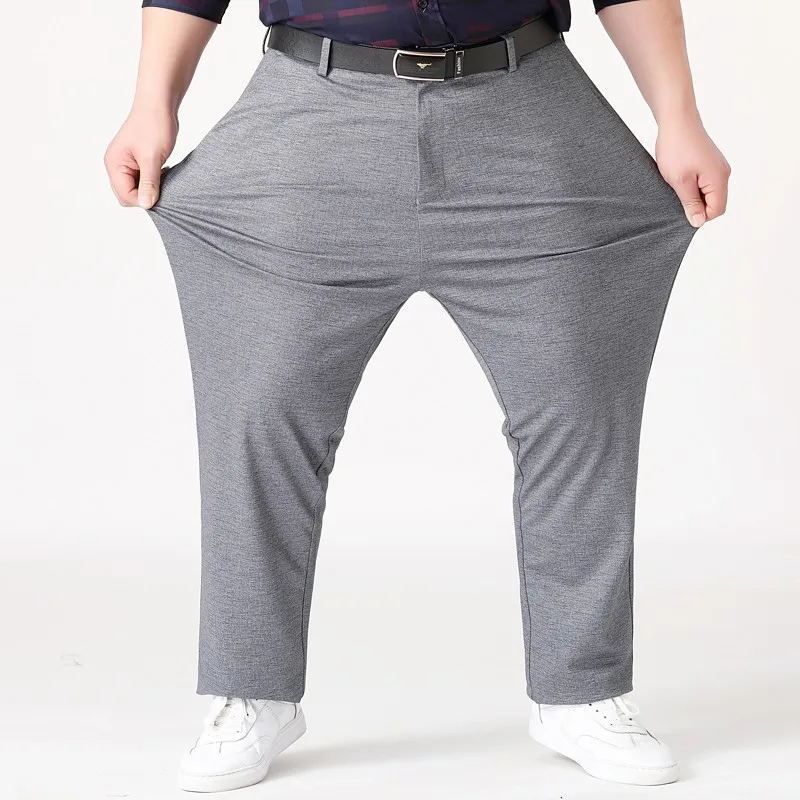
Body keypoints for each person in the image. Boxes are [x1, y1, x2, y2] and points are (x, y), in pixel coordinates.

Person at [105, 0, 730, 792]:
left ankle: (582, 690)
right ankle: (251, 688)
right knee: (260, 410)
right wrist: (152, 101)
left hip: (527, 109)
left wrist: (679, 116)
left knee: (579, 405)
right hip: (310, 110)